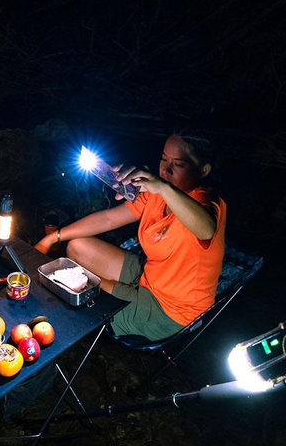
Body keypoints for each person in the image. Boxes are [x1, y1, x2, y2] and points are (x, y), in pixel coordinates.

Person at [35, 129, 227, 341]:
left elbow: (206, 228)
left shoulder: (205, 202)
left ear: (203, 170)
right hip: (149, 275)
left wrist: (162, 187)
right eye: (164, 159)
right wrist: (52, 237)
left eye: (179, 164)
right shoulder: (155, 195)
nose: (165, 169)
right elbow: (108, 219)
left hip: (172, 311)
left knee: (76, 286)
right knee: (76, 246)